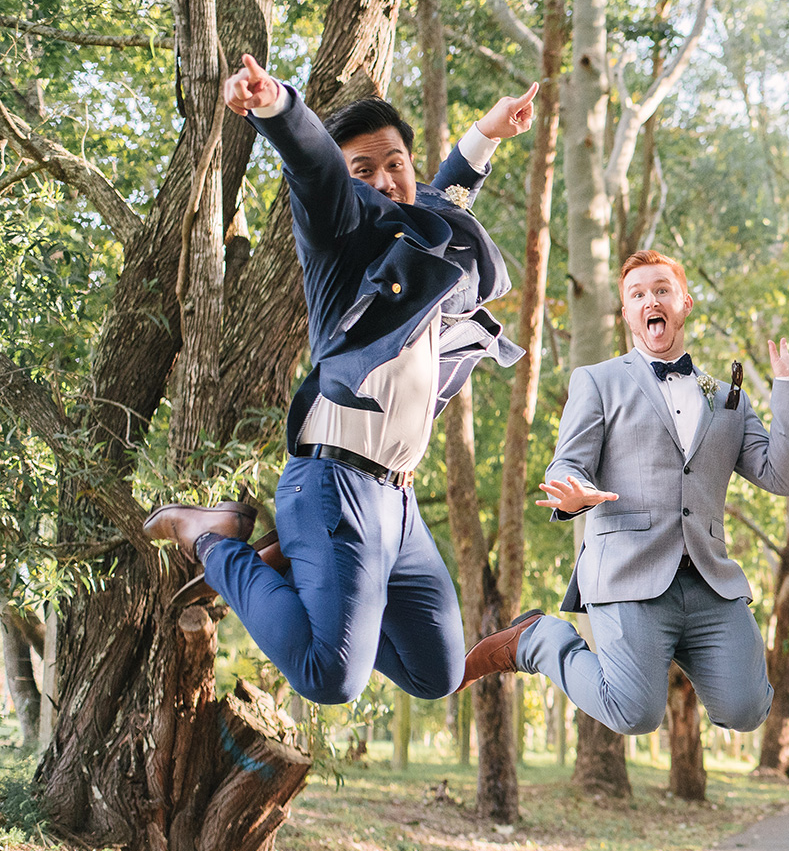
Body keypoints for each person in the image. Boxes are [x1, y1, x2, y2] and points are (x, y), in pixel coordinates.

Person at [142, 55, 533, 704]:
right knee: (331, 677)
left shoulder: (423, 236)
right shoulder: (336, 237)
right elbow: (313, 163)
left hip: (398, 507)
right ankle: (210, 538)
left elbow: (448, 191)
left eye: (395, 164)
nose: (384, 180)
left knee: (437, 675)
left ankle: (307, 571)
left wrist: (487, 133)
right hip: (333, 486)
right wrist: (274, 104)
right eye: (365, 170)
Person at [457, 250, 789, 735]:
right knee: (636, 714)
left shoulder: (726, 393)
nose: (652, 299)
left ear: (684, 303)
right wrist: (576, 492)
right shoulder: (598, 380)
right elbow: (568, 462)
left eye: (662, 290)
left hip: (710, 578)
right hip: (629, 572)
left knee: (747, 709)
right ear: (627, 313)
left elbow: (779, 476)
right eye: (638, 294)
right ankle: (538, 640)